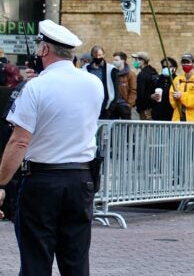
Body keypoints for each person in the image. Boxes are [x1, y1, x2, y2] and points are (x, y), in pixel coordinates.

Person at [0, 19, 104, 275]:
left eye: (38, 47)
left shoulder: (36, 87)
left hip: (42, 181)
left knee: (36, 260)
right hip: (81, 180)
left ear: (45, 50)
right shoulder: (94, 83)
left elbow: (20, 141)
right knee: (76, 261)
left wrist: (1, 183)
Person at [82, 45, 119, 119]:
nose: (98, 57)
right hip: (89, 106)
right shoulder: (85, 69)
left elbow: (115, 90)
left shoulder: (111, 70)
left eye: (99, 55)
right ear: (92, 56)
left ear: (103, 55)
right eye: (95, 55)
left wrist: (109, 109)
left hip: (105, 107)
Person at [169, 53, 194, 122]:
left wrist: (182, 96)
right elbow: (171, 100)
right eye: (183, 62)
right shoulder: (177, 79)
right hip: (178, 119)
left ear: (193, 63)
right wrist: (174, 98)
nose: (185, 64)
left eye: (188, 62)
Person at [110, 51, 136, 119]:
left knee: (125, 126)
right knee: (112, 126)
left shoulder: (130, 74)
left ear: (123, 61)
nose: (114, 62)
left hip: (124, 105)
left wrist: (129, 104)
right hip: (113, 104)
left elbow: (133, 90)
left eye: (116, 60)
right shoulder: (112, 73)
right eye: (114, 60)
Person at [133, 51, 158, 120]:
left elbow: (141, 94)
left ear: (142, 61)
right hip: (152, 107)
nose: (135, 62)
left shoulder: (142, 75)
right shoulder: (153, 72)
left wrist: (139, 107)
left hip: (145, 109)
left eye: (136, 59)